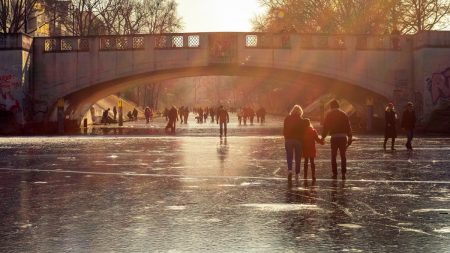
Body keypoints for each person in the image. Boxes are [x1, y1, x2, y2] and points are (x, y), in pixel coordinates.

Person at [321, 100, 353, 180]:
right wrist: (350, 137)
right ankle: (343, 172)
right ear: (338, 106)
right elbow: (348, 126)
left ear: (331, 106)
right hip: (343, 137)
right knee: (343, 156)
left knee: (333, 155)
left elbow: (326, 127)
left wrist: (323, 137)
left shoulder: (329, 115)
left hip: (334, 138)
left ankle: (334, 172)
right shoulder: (343, 114)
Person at [283, 105, 308, 183]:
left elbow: (284, 130)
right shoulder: (302, 120)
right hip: (298, 140)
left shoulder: (287, 119)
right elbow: (304, 132)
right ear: (300, 112)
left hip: (289, 140)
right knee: (298, 158)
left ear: (292, 111)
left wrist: (286, 138)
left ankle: (290, 170)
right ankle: (297, 173)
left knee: (289, 156)